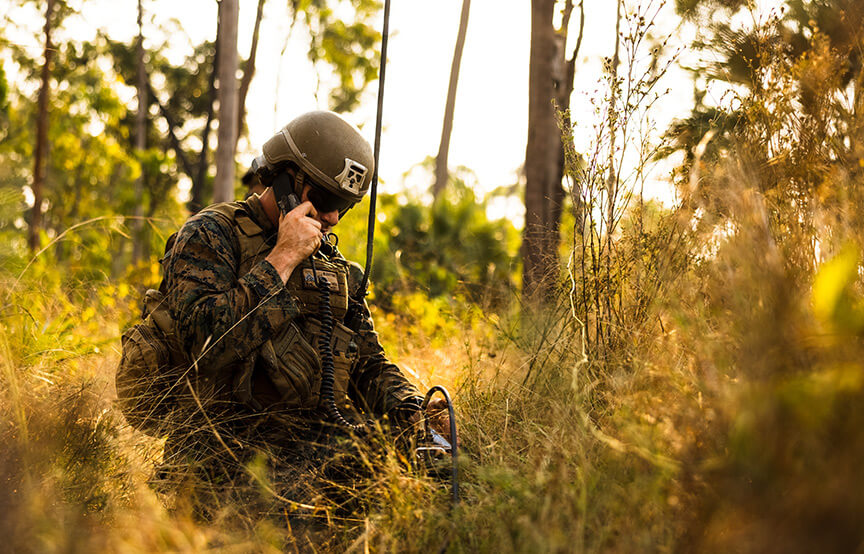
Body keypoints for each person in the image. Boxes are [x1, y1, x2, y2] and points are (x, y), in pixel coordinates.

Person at [118, 111, 449, 500]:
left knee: (441, 481)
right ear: (285, 178)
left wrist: (415, 412)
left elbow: (367, 363)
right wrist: (281, 260)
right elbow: (203, 344)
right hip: (220, 462)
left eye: (344, 205)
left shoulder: (336, 268)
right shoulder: (211, 234)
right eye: (325, 198)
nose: (331, 217)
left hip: (315, 458)